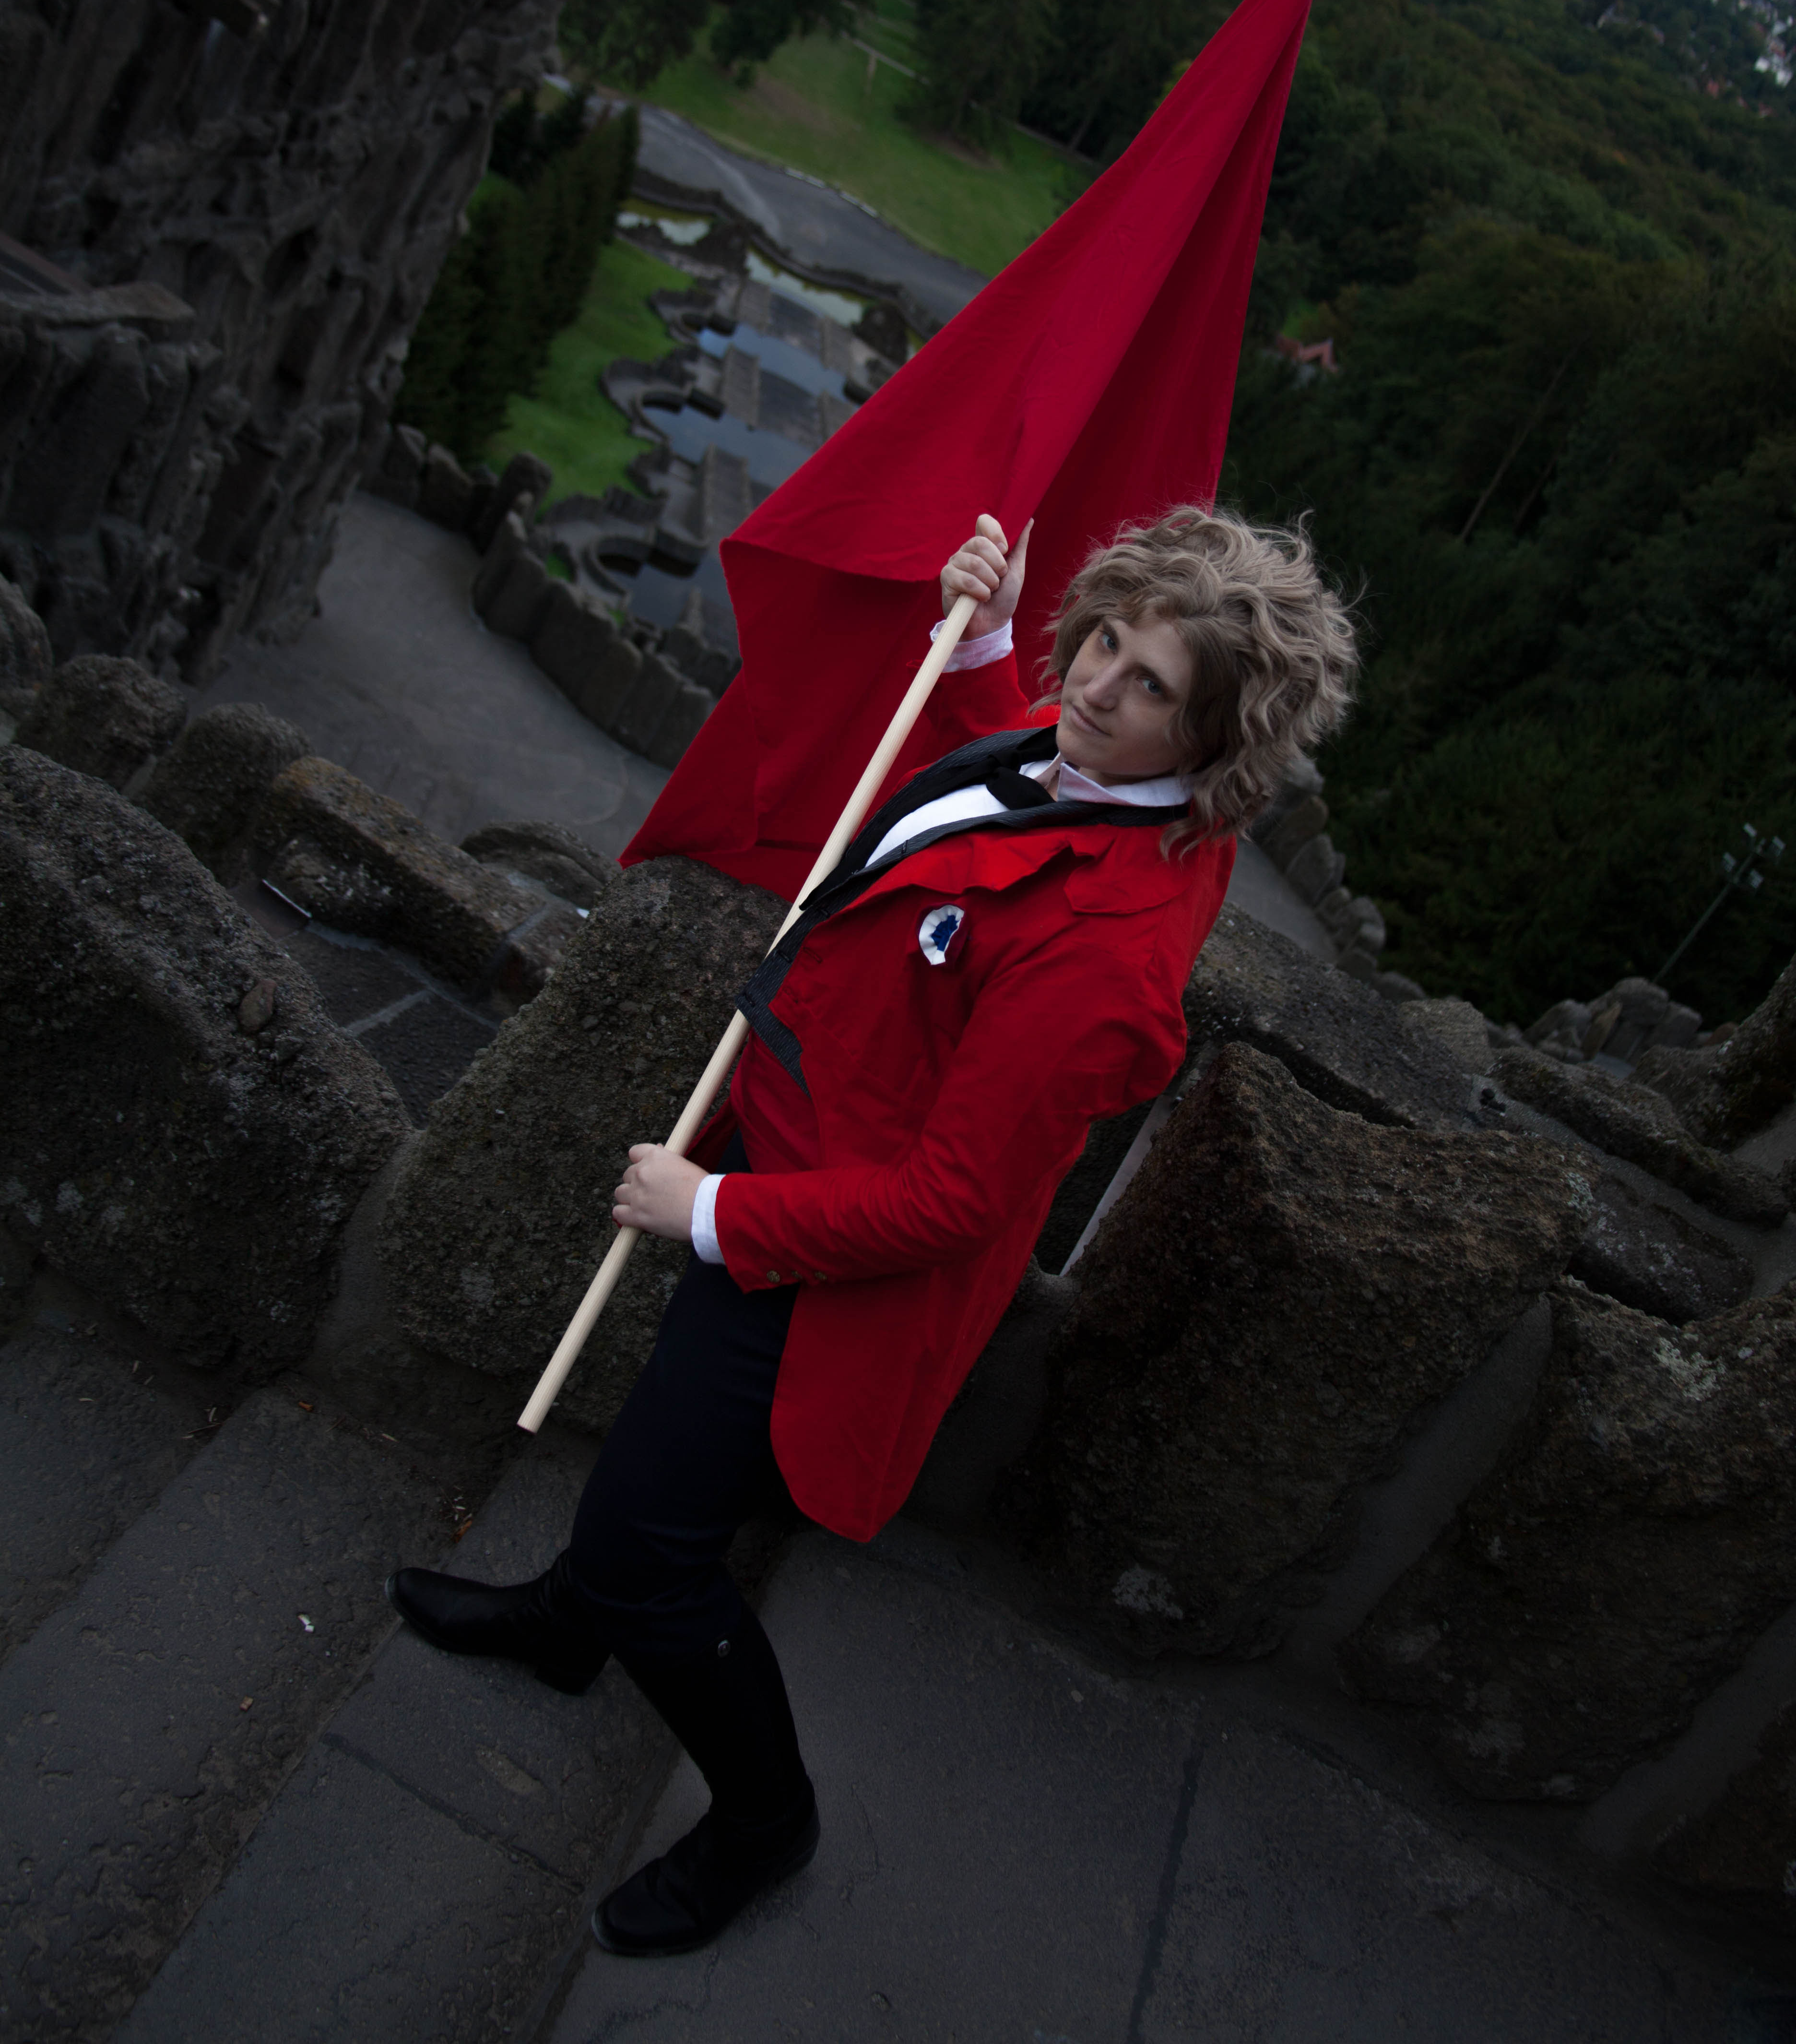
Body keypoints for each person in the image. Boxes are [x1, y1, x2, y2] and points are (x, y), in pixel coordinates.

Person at [389, 505, 1356, 1956]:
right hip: (785, 1163)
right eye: (1101, 637)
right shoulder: (1094, 768)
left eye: (1148, 682)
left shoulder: (1107, 964)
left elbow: (954, 1200)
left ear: (1212, 743)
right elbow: (992, 798)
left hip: (816, 1264)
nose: (1093, 684)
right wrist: (983, 641)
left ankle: (763, 1815)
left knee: (659, 1552)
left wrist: (713, 1212)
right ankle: (569, 1626)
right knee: (654, 1466)